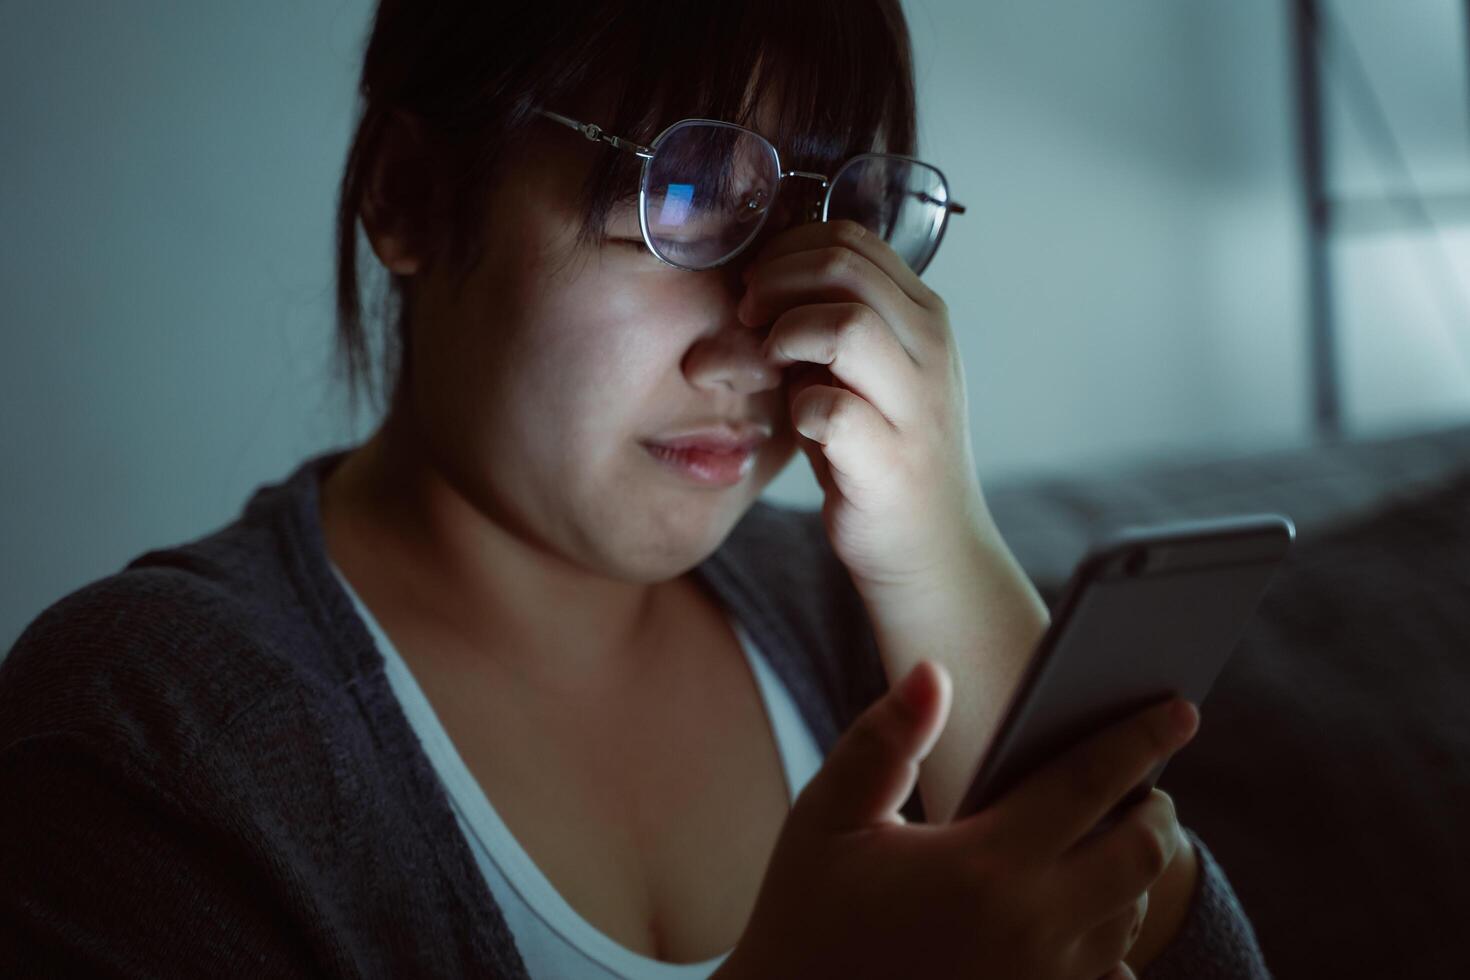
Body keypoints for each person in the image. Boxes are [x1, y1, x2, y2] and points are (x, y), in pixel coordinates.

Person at [0, 1, 1272, 977]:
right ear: (411, 195)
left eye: (840, 220)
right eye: (685, 196)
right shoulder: (143, 732)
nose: (771, 332)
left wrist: (947, 553)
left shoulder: (854, 620)